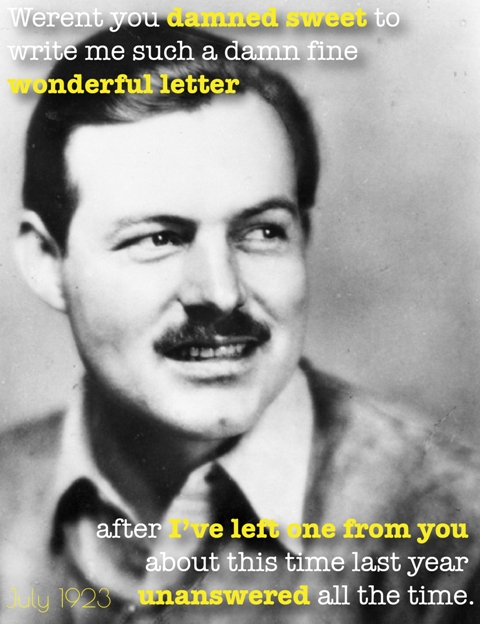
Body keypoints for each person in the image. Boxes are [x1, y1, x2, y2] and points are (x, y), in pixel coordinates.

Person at [1, 21, 479, 624]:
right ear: (47, 263)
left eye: (262, 232)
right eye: (158, 238)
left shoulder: (454, 532)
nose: (222, 292)